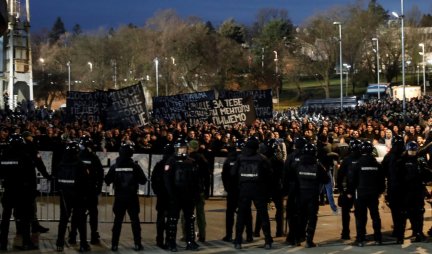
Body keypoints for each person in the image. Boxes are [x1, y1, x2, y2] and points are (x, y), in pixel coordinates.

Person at [104, 141, 147, 251]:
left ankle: (114, 245)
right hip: (132, 197)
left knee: (117, 222)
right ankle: (137, 244)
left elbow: (107, 180)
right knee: (135, 221)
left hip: (119, 198)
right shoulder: (135, 166)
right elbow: (143, 181)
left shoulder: (115, 166)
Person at [232, 137, 273, 250]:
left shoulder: (240, 158)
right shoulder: (262, 158)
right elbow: (270, 176)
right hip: (259, 190)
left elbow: (233, 173)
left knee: (241, 216)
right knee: (263, 216)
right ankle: (268, 241)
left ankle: (238, 241)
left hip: (244, 189)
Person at [0, 134, 38, 250]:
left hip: (8, 191)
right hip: (22, 192)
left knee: (5, 219)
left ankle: (3, 243)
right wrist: (32, 193)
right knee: (25, 218)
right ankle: (26, 242)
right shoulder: (25, 157)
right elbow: (32, 177)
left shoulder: (3, 157)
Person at [164, 139, 201, 252]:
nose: (182, 151)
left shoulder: (191, 162)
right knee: (173, 219)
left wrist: (196, 194)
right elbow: (167, 180)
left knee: (190, 218)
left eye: (183, 148)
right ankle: (171, 242)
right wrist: (171, 195)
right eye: (180, 149)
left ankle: (191, 241)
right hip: (176, 195)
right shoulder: (171, 161)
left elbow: (196, 180)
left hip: (188, 195)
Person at [348, 140, 385, 247]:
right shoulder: (377, 164)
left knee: (361, 217)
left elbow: (352, 180)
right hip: (373, 193)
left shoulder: (358, 164)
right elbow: (381, 180)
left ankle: (360, 239)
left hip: (361, 193)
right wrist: (380, 191)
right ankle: (378, 238)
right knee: (375, 216)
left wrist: (350, 191)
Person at [55, 141, 91, 252]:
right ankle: (83, 244)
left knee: (63, 220)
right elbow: (86, 183)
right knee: (81, 221)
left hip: (65, 196)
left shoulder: (61, 164)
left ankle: (60, 243)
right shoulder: (80, 165)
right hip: (79, 197)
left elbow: (57, 180)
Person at [68, 135, 104, 245]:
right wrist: (99, 187)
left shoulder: (77, 156)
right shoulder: (93, 157)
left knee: (77, 214)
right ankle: (94, 236)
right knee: (93, 213)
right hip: (91, 189)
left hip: (79, 190)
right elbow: (101, 173)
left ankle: (73, 236)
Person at [394, 141, 431, 243]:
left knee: (418, 213)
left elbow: (427, 175)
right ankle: (400, 236)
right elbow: (397, 177)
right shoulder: (401, 161)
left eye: (414, 150)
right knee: (403, 214)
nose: (412, 152)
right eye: (411, 150)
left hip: (417, 191)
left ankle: (418, 233)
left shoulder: (419, 161)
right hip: (405, 192)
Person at [294, 143, 329, 248]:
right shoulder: (317, 166)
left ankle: (297, 238)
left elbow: (293, 178)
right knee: (312, 217)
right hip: (313, 194)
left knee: (300, 216)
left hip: (300, 193)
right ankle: (309, 240)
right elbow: (326, 179)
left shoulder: (298, 165)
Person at [221, 142, 253, 243]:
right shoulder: (247, 159)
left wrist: (227, 188)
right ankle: (249, 235)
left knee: (230, 213)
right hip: (244, 189)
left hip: (232, 190)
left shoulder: (229, 159)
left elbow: (224, 175)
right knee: (247, 213)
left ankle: (229, 235)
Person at [21, 131, 52, 234]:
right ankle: (34, 226)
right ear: (28, 137)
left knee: (19, 205)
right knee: (31, 205)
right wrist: (47, 176)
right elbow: (39, 164)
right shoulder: (31, 147)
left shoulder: (17, 148)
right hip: (29, 181)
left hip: (17, 181)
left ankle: (20, 228)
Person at [283, 136, 307, 246]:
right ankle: (301, 234)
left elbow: (285, 173)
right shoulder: (307, 157)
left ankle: (292, 235)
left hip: (293, 188)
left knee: (291, 212)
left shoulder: (291, 156)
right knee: (303, 212)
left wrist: (285, 190)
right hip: (304, 188)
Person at [336, 139, 361, 240]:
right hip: (359, 189)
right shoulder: (362, 159)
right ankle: (360, 232)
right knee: (360, 212)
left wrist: (342, 190)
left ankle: (346, 232)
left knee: (346, 213)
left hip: (348, 190)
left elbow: (340, 176)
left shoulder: (347, 160)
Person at [381, 135, 405, 238]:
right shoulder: (405, 155)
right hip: (405, 187)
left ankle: (397, 230)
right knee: (404, 209)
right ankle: (402, 229)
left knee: (395, 210)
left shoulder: (389, 156)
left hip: (394, 186)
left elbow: (383, 171)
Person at [151, 143, 174, 249]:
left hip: (161, 195)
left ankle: (159, 239)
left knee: (160, 218)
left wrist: (157, 191)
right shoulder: (174, 164)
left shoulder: (159, 164)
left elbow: (153, 180)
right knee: (170, 219)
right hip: (171, 196)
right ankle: (169, 240)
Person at [187, 139, 210, 242]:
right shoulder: (203, 159)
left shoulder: (187, 158)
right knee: (200, 213)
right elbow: (207, 176)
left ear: (191, 148)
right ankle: (202, 235)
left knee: (187, 213)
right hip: (200, 189)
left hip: (188, 189)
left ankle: (187, 235)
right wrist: (207, 191)